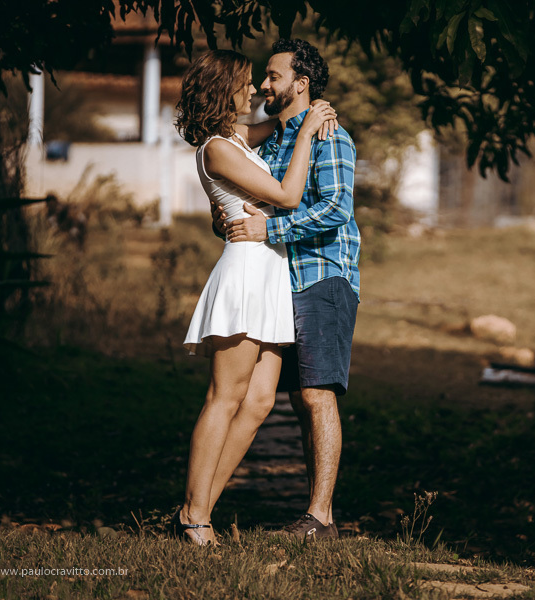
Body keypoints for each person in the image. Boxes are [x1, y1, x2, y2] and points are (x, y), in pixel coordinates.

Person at [172, 49, 338, 546]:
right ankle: (194, 516)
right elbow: (286, 196)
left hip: (270, 273)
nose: (254, 89)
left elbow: (284, 122)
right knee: (224, 397)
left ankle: (198, 508)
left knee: (261, 400)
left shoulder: (237, 139)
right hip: (246, 272)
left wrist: (315, 110)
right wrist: (307, 134)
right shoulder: (216, 149)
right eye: (246, 82)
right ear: (223, 88)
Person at [215, 38, 360, 542]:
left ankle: (318, 518)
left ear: (301, 83)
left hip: (323, 275)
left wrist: (268, 230)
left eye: (273, 76)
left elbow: (336, 208)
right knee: (296, 399)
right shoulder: (273, 140)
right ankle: (318, 516)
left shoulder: (331, 136)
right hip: (278, 280)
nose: (262, 85)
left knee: (317, 394)